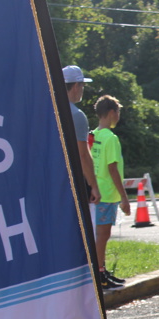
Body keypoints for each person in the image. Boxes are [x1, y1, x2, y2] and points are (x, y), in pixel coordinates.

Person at [89, 95, 131, 290]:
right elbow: (112, 168)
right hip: (107, 193)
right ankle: (99, 273)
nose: (119, 116)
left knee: (99, 235)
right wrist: (124, 197)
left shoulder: (93, 135)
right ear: (112, 112)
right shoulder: (111, 138)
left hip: (95, 191)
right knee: (103, 235)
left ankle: (101, 270)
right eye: (118, 112)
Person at [63, 66, 100, 221]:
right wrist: (94, 186)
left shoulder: (46, 111)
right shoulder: (76, 115)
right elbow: (82, 154)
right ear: (76, 86)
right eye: (83, 86)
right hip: (74, 183)